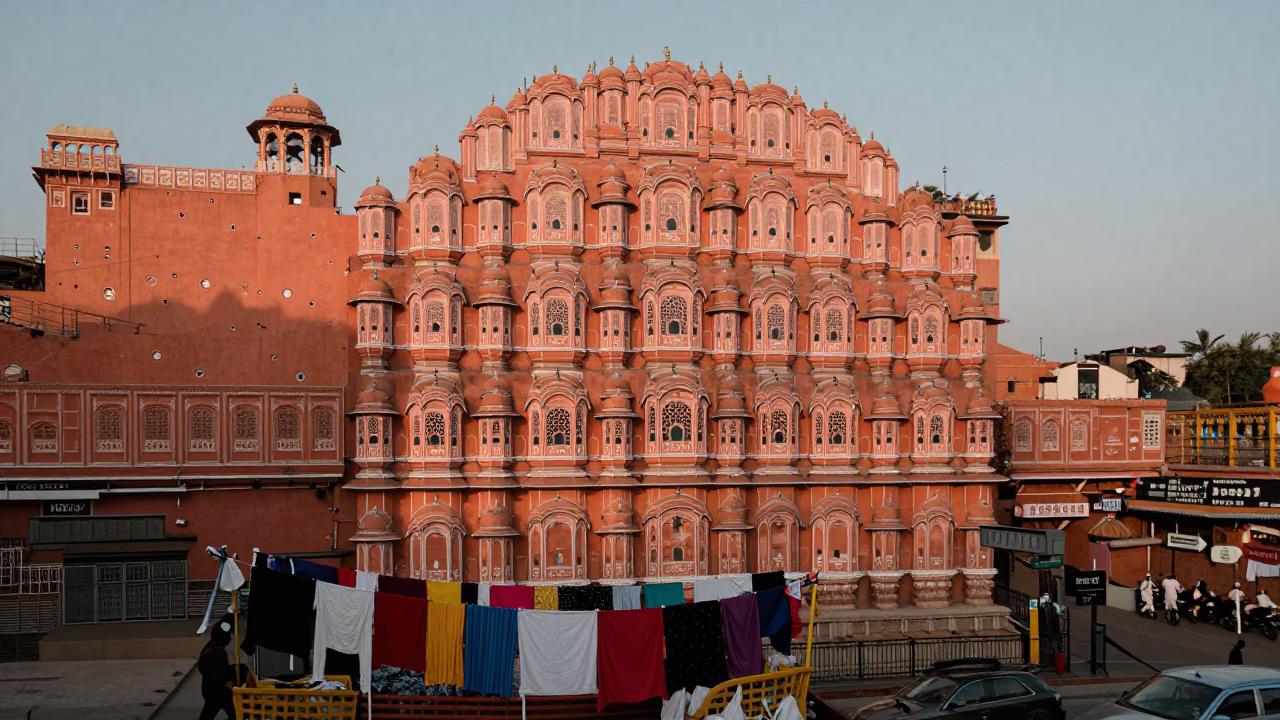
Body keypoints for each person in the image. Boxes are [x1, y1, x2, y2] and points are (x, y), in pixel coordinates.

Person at [198, 612, 249, 720]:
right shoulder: (215, 652)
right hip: (217, 691)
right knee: (235, 713)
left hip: (213, 690)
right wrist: (231, 677)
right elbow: (218, 672)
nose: (231, 637)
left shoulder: (213, 647)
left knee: (213, 712)